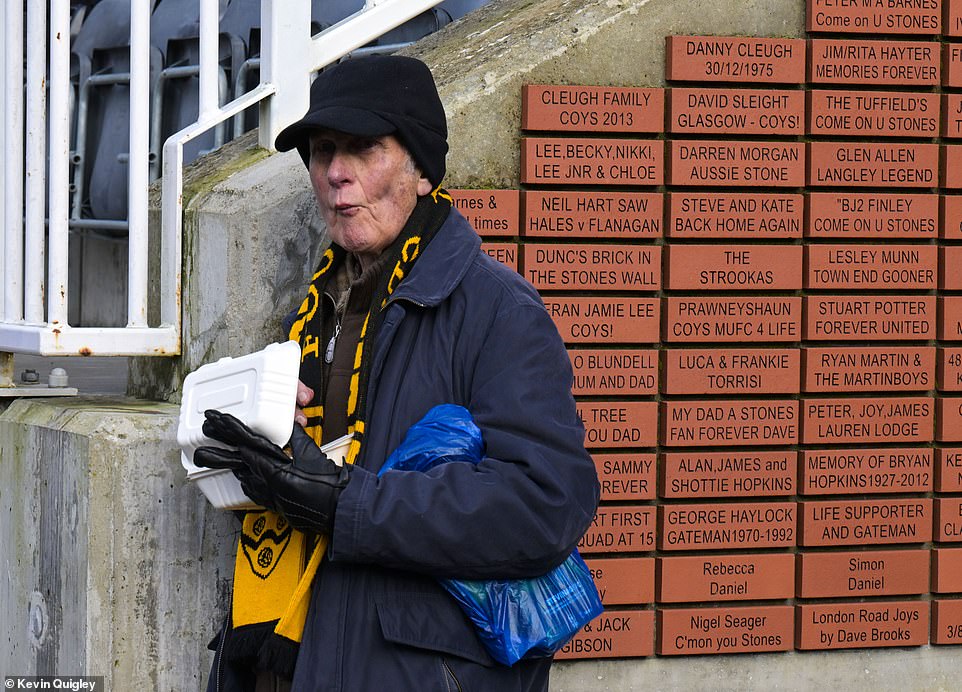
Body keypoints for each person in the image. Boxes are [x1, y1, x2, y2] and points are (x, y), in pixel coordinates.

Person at [194, 54, 599, 692]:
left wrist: (342, 501)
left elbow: (547, 504)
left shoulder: (498, 310)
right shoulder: (314, 310)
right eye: (323, 150)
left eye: (363, 148)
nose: (335, 173)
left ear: (420, 170)